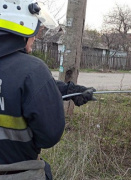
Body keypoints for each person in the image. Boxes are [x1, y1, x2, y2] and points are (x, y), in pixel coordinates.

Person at [0, 0, 94, 179]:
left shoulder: (29, 73)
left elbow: (11, 84)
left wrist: (69, 90)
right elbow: (49, 136)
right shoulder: (33, 70)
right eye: (35, 32)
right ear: (20, 27)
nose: (35, 37)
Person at [25, 37, 96, 107]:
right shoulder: (34, 66)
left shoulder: (23, 65)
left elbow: (43, 87)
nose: (34, 38)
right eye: (30, 34)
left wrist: (74, 91)